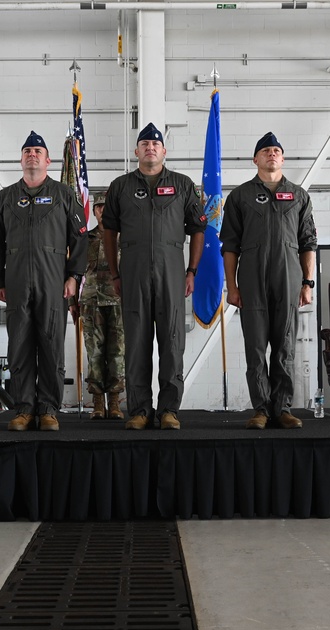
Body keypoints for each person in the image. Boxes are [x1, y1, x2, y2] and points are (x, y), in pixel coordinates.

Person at [102, 123, 207, 430]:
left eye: (155, 144)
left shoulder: (183, 185)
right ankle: (139, 410)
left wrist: (192, 271)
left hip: (172, 270)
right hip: (132, 271)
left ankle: (169, 410)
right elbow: (110, 231)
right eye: (144, 143)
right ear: (136, 151)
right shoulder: (120, 187)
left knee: (173, 342)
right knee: (135, 343)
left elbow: (198, 228)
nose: (150, 147)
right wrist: (114, 272)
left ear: (164, 151)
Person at [0, 131, 89, 432]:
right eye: (27, 151)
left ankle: (48, 410)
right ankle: (23, 409)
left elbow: (80, 238)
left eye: (37, 151)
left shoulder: (63, 195)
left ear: (48, 160)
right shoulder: (5, 198)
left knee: (51, 346)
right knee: (18, 347)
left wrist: (74, 276)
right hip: (17, 281)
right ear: (21, 160)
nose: (32, 154)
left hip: (53, 281)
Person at [221, 132, 318, 429]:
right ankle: (261, 409)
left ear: (283, 158)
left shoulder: (299, 195)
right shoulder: (240, 196)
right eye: (265, 151)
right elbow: (229, 246)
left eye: (276, 150)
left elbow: (309, 243)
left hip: (288, 277)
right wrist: (232, 286)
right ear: (255, 159)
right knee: (255, 348)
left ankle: (283, 408)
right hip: (251, 279)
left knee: (285, 346)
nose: (271, 154)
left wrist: (307, 283)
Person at [69, 192, 126, 420]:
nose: (103, 211)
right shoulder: (84, 239)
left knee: (118, 353)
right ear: (94, 211)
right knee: (94, 353)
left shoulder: (125, 238)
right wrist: (72, 303)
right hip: (90, 302)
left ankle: (114, 402)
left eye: (106, 207)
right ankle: (97, 404)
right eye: (99, 207)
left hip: (119, 302)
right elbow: (73, 271)